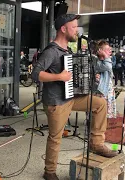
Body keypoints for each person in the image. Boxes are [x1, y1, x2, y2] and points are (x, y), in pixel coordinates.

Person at [31, 14, 117, 180]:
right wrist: (59, 77)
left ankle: (97, 143)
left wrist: (89, 77)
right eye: (73, 27)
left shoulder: (68, 51)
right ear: (63, 29)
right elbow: (35, 74)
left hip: (70, 97)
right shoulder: (52, 51)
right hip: (56, 102)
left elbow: (74, 73)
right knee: (55, 138)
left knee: (99, 103)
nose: (77, 31)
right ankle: (49, 171)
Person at [95, 40, 117, 119]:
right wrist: (105, 55)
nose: (110, 51)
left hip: (108, 90)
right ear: (100, 51)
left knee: (107, 114)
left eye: (110, 49)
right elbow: (108, 67)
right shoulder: (97, 62)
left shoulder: (107, 61)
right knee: (100, 114)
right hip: (101, 92)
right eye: (107, 50)